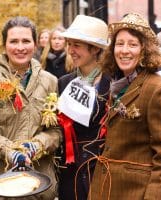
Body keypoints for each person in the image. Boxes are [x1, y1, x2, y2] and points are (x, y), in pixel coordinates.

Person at [89, 13, 161, 199]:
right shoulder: (118, 83)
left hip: (137, 192)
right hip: (107, 189)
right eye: (119, 43)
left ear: (144, 49)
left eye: (132, 44)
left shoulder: (159, 90)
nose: (124, 50)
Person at [0, 16, 61, 200]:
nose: (20, 47)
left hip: (37, 185)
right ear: (4, 45)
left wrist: (36, 146)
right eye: (14, 41)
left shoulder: (50, 81)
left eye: (26, 41)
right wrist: (12, 151)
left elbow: (55, 130)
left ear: (35, 45)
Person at [56, 15, 110, 200]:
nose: (70, 50)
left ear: (95, 48)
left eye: (76, 45)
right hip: (70, 175)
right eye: (69, 44)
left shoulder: (112, 84)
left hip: (102, 173)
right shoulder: (64, 83)